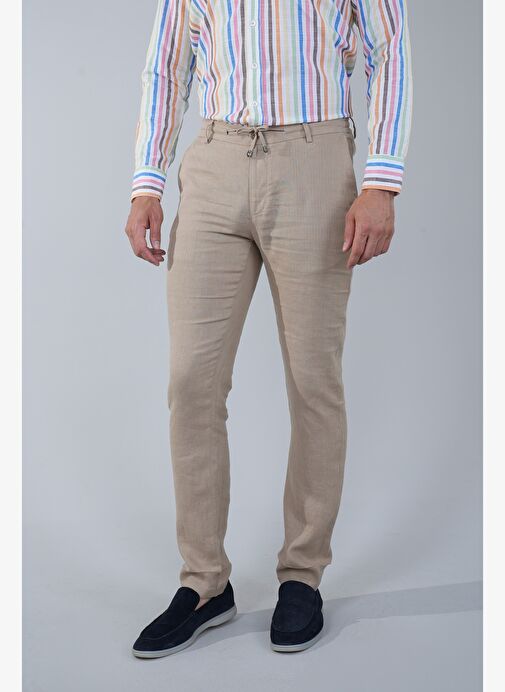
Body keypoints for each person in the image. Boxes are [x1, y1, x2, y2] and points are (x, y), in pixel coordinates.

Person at [125, 0, 412, 657]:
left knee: (313, 380)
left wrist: (382, 180)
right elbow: (166, 68)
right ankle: (204, 582)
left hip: (314, 158)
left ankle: (302, 574)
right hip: (215, 159)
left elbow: (389, 50)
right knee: (191, 383)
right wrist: (146, 183)